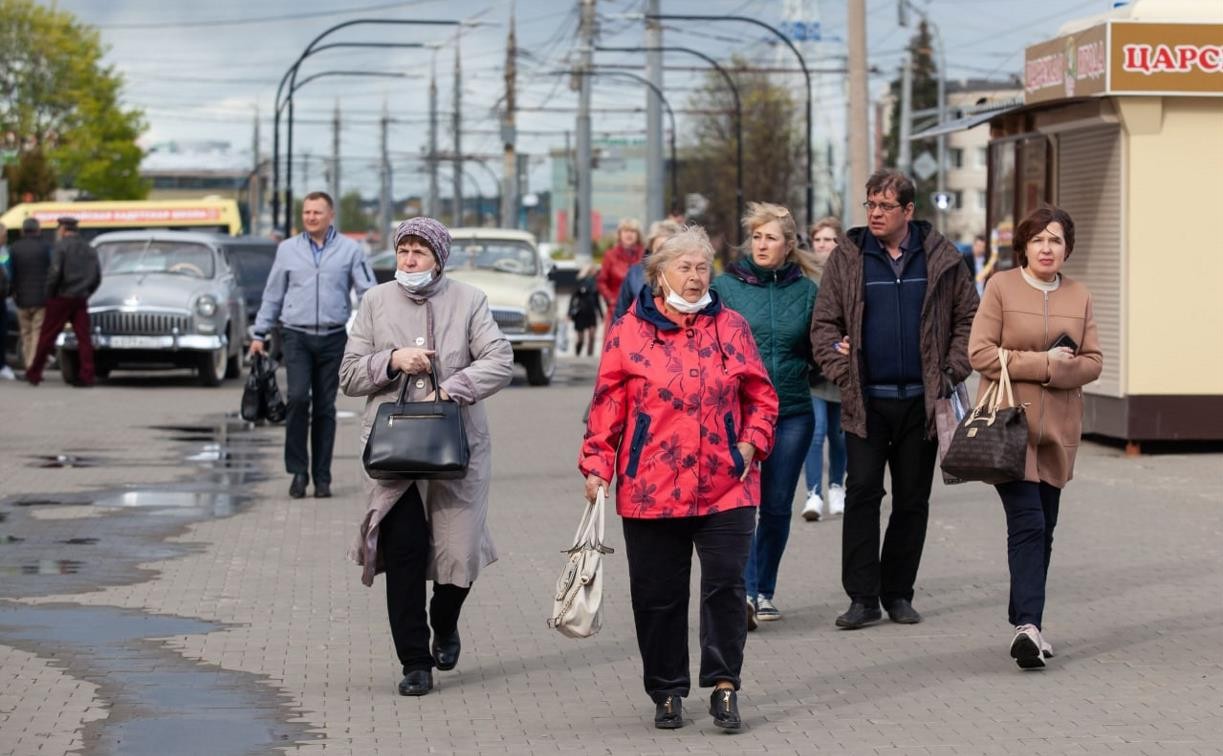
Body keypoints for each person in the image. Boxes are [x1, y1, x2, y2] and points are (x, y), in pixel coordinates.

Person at [580, 226, 778, 731]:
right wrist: (597, 466)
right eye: (684, 267)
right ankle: (666, 690)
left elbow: (762, 396)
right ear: (658, 273)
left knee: (726, 588)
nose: (694, 277)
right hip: (651, 485)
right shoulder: (629, 330)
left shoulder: (730, 326)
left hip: (726, 484)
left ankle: (724, 686)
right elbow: (607, 406)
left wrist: (749, 446)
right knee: (657, 596)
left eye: (700, 267)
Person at [340, 217, 514, 697]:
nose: (409, 260)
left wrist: (453, 386)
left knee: (458, 553)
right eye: (403, 251)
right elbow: (350, 375)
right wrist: (392, 360)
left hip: (456, 446)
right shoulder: (374, 303)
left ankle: (446, 618)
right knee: (405, 554)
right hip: (392, 453)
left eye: (419, 252)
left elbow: (500, 360)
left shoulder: (469, 300)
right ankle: (415, 662)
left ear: (438, 257)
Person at [811, 170, 978, 629]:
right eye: (870, 205)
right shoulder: (849, 256)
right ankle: (862, 598)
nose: (875, 213)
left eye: (885, 206)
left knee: (912, 500)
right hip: (866, 402)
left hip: (921, 403)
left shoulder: (940, 257)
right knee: (863, 493)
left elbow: (969, 316)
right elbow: (824, 324)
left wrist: (950, 371)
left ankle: (898, 593)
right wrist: (844, 373)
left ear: (908, 211)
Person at [967, 206, 1101, 669]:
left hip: (1058, 431)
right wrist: (1045, 364)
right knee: (1028, 524)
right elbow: (980, 353)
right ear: (1023, 245)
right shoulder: (1001, 287)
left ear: (1067, 249)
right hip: (1009, 428)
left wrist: (1066, 368)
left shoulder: (1080, 295)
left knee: (1045, 528)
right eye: (1039, 240)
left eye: (1056, 240)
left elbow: (1094, 361)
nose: (1047, 248)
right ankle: (1027, 625)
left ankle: (1030, 622)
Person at [711, 202, 818, 625]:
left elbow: (819, 347)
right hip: (738, 416)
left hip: (791, 412)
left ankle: (764, 589)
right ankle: (744, 592)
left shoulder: (807, 291)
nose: (761, 244)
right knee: (743, 505)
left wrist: (836, 353)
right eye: (756, 236)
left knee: (775, 507)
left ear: (789, 245)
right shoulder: (726, 287)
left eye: (771, 237)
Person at [250, 191, 375, 499]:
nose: (311, 217)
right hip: (296, 335)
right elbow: (273, 293)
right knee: (296, 399)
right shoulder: (287, 250)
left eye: (317, 212)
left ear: (331, 215)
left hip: (333, 337)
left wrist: (379, 330)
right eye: (306, 213)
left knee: (324, 408)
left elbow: (368, 292)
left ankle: (322, 477)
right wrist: (259, 333)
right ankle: (297, 472)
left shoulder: (350, 250)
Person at [801, 217, 848, 522]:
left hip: (841, 368)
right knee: (815, 433)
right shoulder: (804, 277)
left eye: (829, 240)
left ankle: (836, 487)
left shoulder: (849, 273)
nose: (823, 245)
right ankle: (814, 494)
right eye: (818, 240)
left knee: (840, 435)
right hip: (813, 369)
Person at [25, 218, 101, 387]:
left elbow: (54, 273)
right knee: (84, 338)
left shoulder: (61, 247)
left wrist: (50, 294)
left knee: (47, 336)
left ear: (64, 229)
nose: (57, 232)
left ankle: (34, 373)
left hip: (61, 297)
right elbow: (97, 276)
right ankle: (87, 375)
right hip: (80, 298)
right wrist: (87, 293)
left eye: (58, 228)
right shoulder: (89, 248)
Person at [614, 219, 682, 320]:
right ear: (651, 249)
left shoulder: (687, 275)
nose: (663, 254)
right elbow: (620, 314)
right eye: (659, 249)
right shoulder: (635, 274)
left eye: (669, 249)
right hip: (640, 333)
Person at [9, 218, 52, 372]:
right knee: (37, 332)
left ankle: (29, 364)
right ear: (38, 230)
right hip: (41, 298)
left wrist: (12, 291)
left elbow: (9, 272)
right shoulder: (45, 247)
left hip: (20, 299)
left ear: (23, 231)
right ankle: (34, 365)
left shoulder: (14, 248)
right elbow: (52, 271)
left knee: (25, 333)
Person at [595, 217, 643, 313]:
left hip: (640, 311)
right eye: (626, 231)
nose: (629, 234)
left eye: (633, 231)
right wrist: (611, 300)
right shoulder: (610, 255)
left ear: (638, 235)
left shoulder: (644, 255)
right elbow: (601, 281)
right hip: (616, 310)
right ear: (619, 234)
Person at [568, 264, 603, 356]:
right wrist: (570, 312)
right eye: (591, 270)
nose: (594, 272)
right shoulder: (580, 283)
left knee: (592, 335)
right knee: (581, 339)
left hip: (591, 313)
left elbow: (597, 301)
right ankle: (578, 354)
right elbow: (573, 298)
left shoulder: (596, 284)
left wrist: (601, 314)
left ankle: (589, 356)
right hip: (581, 313)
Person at [0, 226, 12, 380]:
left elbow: (8, 272)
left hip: (2, 297)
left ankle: (2, 365)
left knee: (2, 333)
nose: (6, 238)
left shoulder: (5, 251)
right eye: (4, 235)